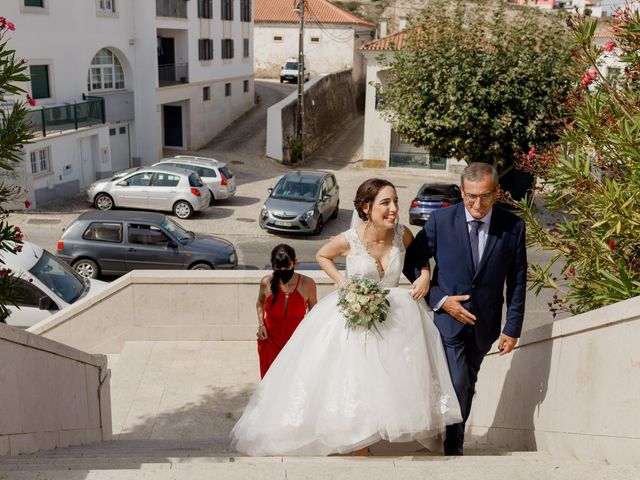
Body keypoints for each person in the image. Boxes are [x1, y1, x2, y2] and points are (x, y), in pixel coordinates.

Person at [231, 178, 461, 456]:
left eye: (395, 202)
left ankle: (384, 433)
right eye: (385, 203)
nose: (393, 209)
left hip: (398, 316)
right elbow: (321, 255)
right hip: (355, 316)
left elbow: (418, 259)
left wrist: (424, 275)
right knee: (356, 378)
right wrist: (341, 282)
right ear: (366, 207)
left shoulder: (403, 234)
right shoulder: (350, 239)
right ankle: (358, 443)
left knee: (391, 379)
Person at [404, 162, 527, 456]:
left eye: (484, 196)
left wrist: (512, 328)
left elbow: (518, 280)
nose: (477, 203)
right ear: (462, 191)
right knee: (458, 380)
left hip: (485, 324)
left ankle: (453, 437)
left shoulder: (513, 227)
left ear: (496, 193)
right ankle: (453, 445)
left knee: (468, 380)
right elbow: (412, 263)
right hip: (447, 318)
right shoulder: (440, 221)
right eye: (470, 195)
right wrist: (440, 299)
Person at [257, 244, 317, 378]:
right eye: (279, 268)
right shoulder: (266, 282)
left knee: (292, 383)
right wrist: (261, 324)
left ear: (296, 263)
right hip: (269, 341)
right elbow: (260, 302)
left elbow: (314, 314)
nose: (283, 271)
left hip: (296, 343)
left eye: (286, 267)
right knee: (269, 383)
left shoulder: (307, 284)